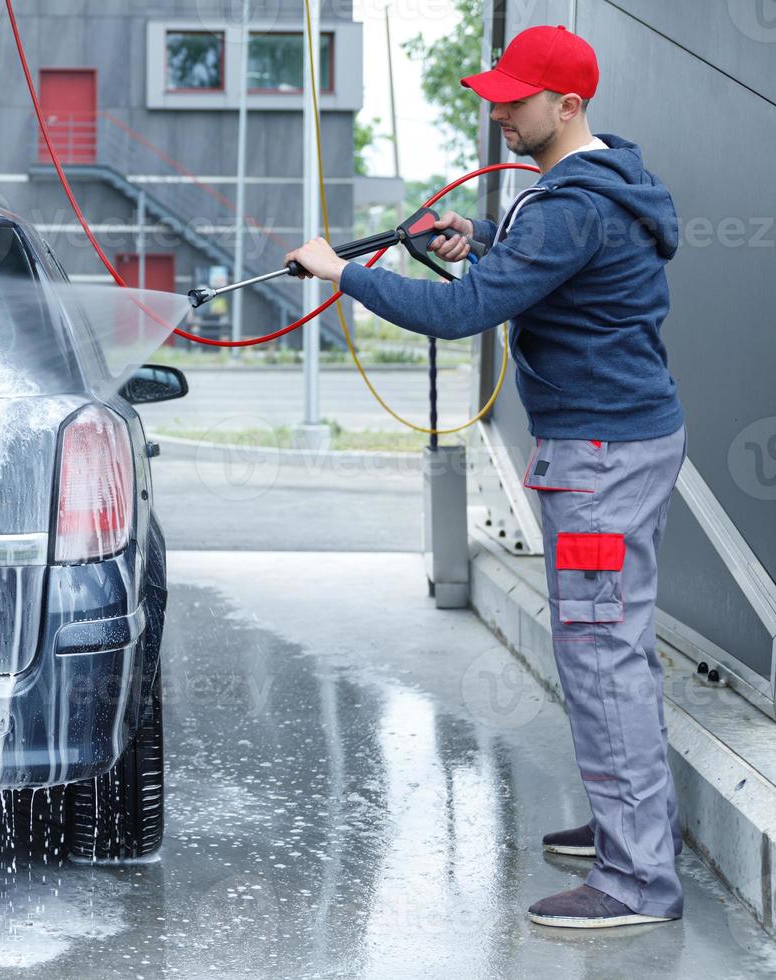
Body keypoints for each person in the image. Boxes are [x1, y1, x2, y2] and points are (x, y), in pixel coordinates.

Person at [283, 24, 686, 929]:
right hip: (626, 445)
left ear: (569, 104)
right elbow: (541, 278)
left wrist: (344, 273)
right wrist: (483, 245)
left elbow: (466, 315)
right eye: (495, 95)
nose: (497, 111)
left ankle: (636, 883)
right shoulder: (602, 179)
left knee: (598, 654)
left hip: (598, 462)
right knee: (616, 643)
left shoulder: (566, 204)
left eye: (515, 98)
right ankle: (633, 833)